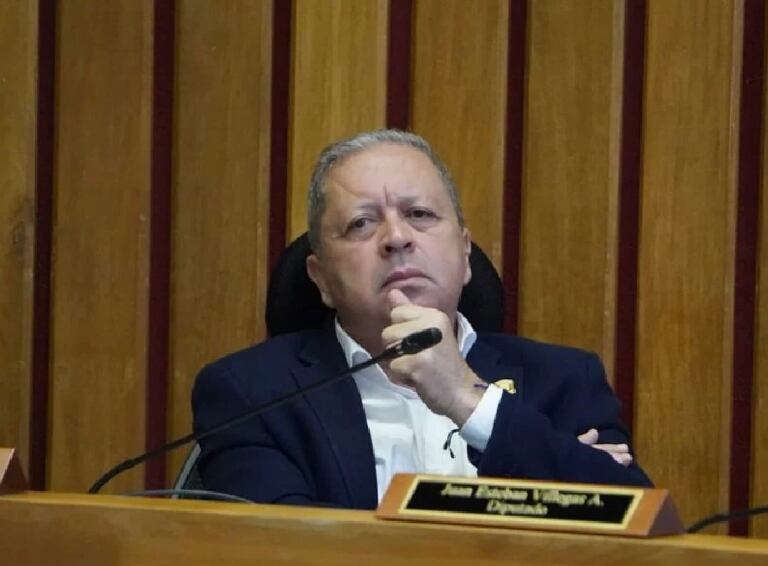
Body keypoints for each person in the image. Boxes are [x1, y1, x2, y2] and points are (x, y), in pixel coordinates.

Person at [192, 129, 652, 508]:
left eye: (419, 214)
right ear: (321, 278)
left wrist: (468, 400)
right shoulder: (251, 395)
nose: (396, 237)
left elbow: (634, 531)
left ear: (466, 254)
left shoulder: (563, 381)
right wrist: (556, 475)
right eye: (361, 223)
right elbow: (280, 554)